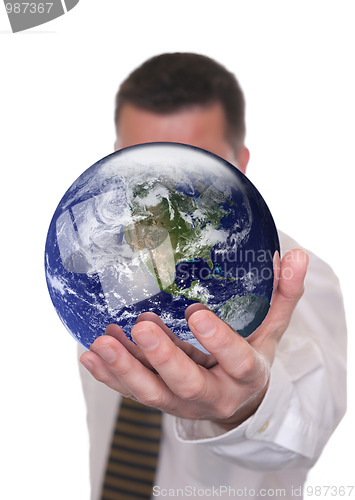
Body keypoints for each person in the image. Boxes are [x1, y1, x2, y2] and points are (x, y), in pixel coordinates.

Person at [78, 53, 347, 499]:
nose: (159, 194)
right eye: (140, 163)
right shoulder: (101, 267)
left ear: (239, 164)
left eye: (191, 168)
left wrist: (245, 405)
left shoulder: (286, 277)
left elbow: (307, 423)